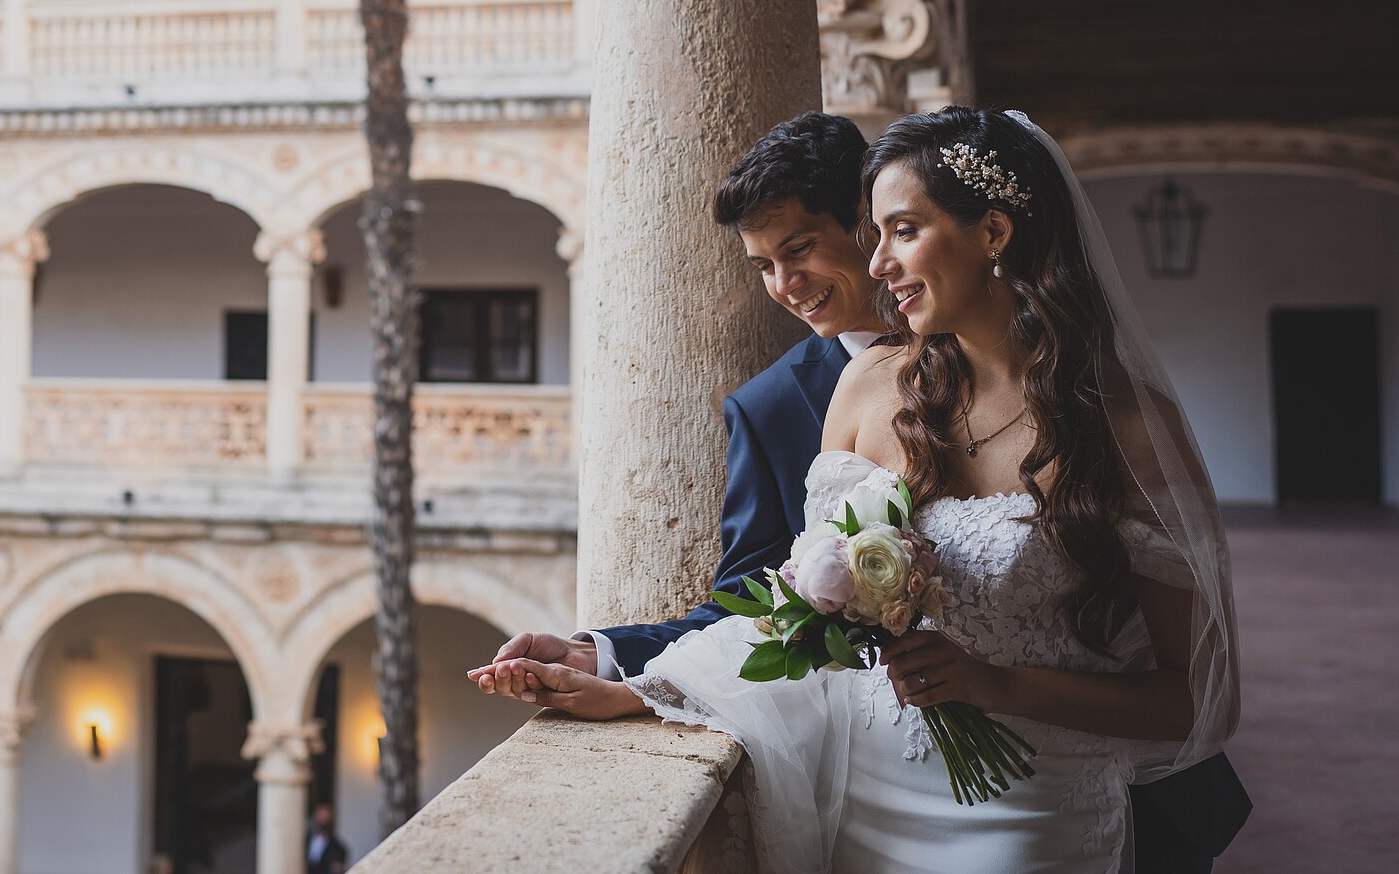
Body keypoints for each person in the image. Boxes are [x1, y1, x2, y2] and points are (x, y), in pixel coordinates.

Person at [483, 108, 1250, 873]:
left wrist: (996, 684)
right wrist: (639, 684)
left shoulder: (1128, 431)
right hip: (867, 797)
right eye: (874, 233)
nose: (879, 263)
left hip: (1030, 811)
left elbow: (1195, 698)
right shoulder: (867, 387)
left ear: (993, 232)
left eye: (901, 230)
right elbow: (787, 603)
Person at [469, 111, 885, 694]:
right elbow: (750, 603)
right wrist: (598, 653)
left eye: (801, 249)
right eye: (765, 265)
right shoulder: (769, 409)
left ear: (866, 224)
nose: (786, 284)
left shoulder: (986, 347)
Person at [305, 802, 348, 873]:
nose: (323, 821)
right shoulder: (303, 841)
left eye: (326, 818)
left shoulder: (338, 848)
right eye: (320, 816)